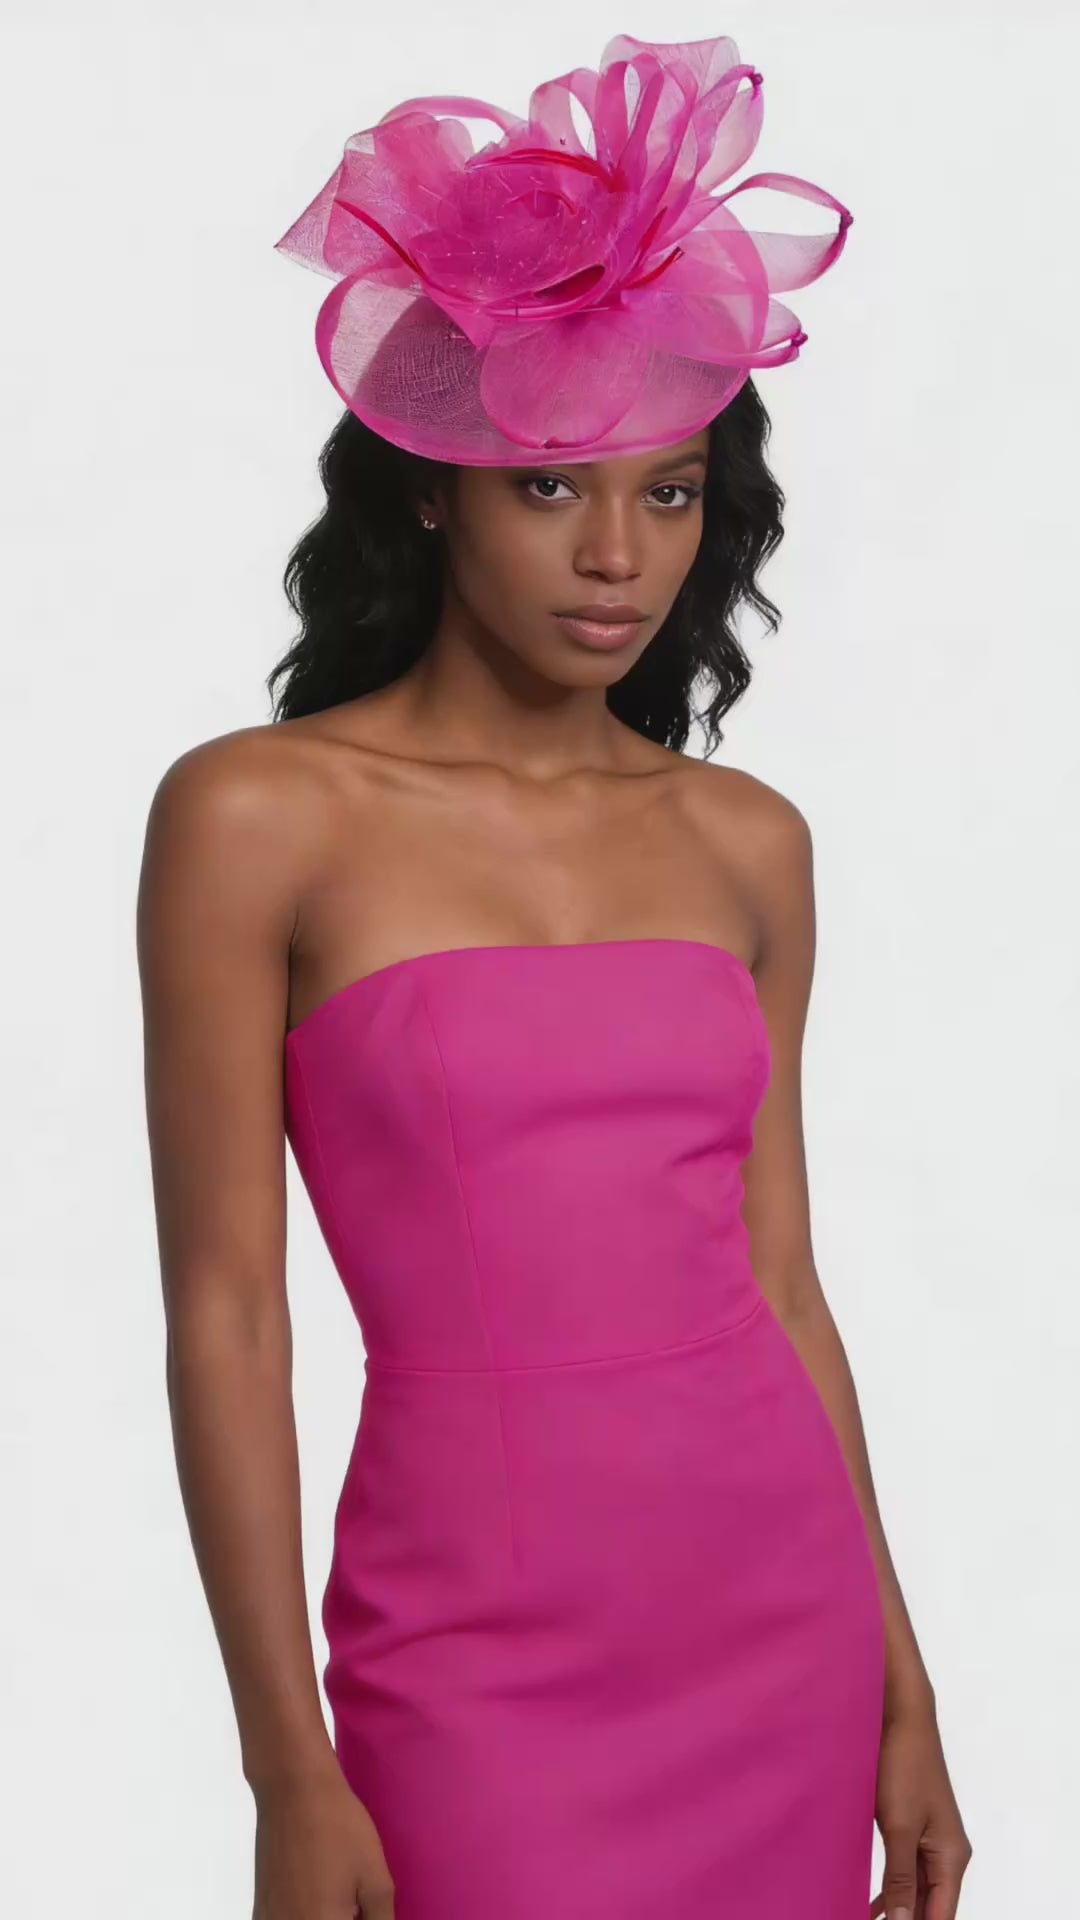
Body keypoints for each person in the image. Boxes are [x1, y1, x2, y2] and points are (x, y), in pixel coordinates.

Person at [136, 31, 972, 1920]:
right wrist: (287, 1768)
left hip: (775, 1618)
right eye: (549, 488)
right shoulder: (258, 816)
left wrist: (905, 1691)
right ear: (433, 488)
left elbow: (783, 1287)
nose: (616, 558)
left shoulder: (747, 844)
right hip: (468, 1644)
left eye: (667, 496)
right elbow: (227, 1316)